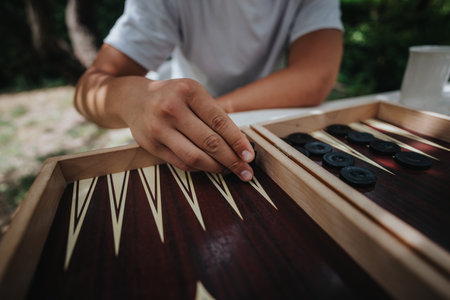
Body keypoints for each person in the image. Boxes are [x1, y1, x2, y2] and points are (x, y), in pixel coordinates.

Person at [74, 0, 343, 182]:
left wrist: (213, 113)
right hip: (182, 143)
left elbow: (315, 77)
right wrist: (132, 99)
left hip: (255, 125)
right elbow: (88, 91)